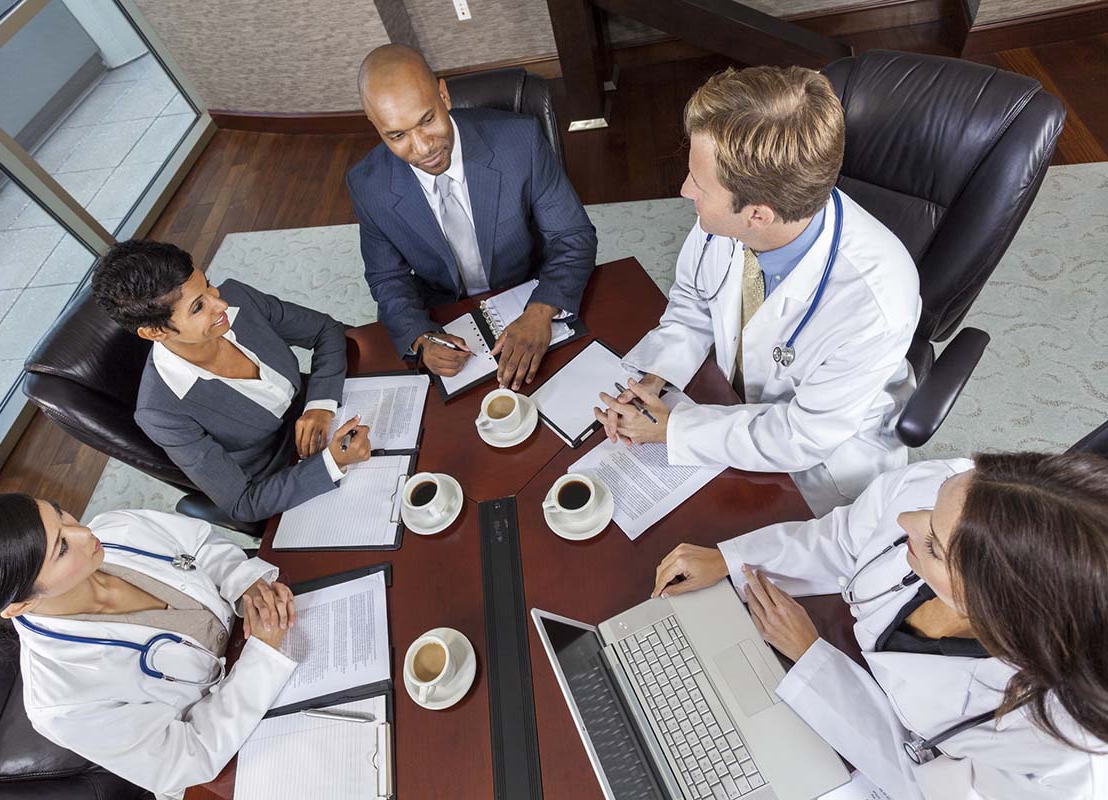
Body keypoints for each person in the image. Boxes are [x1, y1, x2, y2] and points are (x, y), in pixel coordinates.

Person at [651, 452, 1108, 799]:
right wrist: (731, 560)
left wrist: (815, 660)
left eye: (932, 544)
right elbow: (844, 538)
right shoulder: (955, 493)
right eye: (935, 501)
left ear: (995, 607)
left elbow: (924, 781)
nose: (906, 520)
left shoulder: (1055, 758)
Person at [596, 66, 920, 516]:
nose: (685, 189)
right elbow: (693, 300)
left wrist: (675, 431)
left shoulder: (875, 302)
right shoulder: (727, 222)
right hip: (733, 404)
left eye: (700, 186)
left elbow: (799, 437)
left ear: (758, 215)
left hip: (821, 463)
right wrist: (656, 376)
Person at [0, 494, 299, 799]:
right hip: (242, 745)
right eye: (61, 548)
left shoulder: (119, 527)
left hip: (269, 643)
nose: (84, 533)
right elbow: (188, 758)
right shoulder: (62, 702)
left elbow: (201, 544)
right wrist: (261, 659)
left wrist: (244, 583)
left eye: (60, 514)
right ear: (20, 605)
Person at [347, 44, 597, 390]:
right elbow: (387, 277)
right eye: (397, 135)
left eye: (427, 120)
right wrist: (420, 338)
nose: (422, 148)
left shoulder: (520, 141)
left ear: (444, 95)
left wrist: (540, 311)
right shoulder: (367, 184)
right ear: (374, 125)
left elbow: (573, 236)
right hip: (445, 310)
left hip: (526, 287)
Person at [91, 240, 371, 523]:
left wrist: (320, 405)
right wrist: (331, 463)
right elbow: (243, 503)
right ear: (154, 332)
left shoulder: (237, 297)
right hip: (285, 474)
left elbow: (325, 330)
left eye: (208, 285)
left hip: (327, 403)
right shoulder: (161, 412)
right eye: (198, 307)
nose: (220, 302)